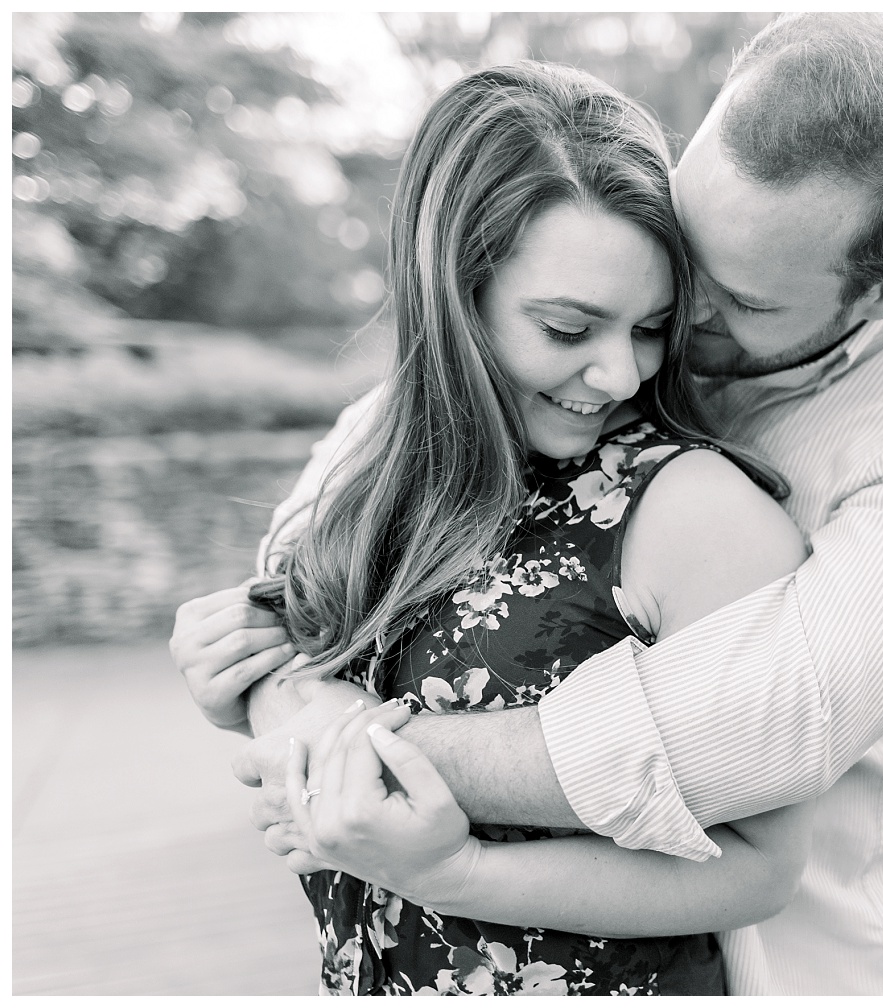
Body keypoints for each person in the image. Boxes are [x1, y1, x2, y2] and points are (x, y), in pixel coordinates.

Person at [172, 13, 883, 996]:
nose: (676, 320)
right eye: (684, 244)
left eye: (746, 300)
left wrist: (365, 744)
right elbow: (313, 546)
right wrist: (277, 686)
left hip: (818, 970)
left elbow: (766, 723)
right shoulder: (606, 289)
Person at [223, 61, 822, 995]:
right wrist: (264, 698)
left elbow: (759, 866)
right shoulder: (378, 480)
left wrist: (456, 875)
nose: (621, 376)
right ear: (452, 298)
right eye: (567, 328)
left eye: (653, 327)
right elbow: (302, 688)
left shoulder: (692, 509)